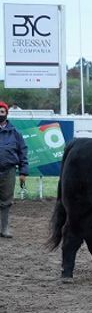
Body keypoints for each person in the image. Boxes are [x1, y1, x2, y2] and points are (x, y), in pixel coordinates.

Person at [0, 101, 28, 238]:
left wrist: (23, 171)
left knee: (6, 201)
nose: (0, 114)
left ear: (6, 113)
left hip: (9, 170)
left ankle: (4, 229)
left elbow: (22, 151)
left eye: (2, 112)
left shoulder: (15, 132)